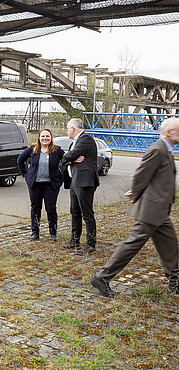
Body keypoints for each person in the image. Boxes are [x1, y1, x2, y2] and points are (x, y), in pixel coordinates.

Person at [91, 117, 179, 297]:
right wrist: (135, 194)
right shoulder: (158, 149)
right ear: (169, 132)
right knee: (131, 245)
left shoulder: (166, 150)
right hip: (151, 211)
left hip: (159, 211)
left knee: (170, 247)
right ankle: (102, 277)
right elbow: (141, 174)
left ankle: (175, 282)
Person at [17, 129, 65, 241]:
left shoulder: (57, 150)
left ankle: (53, 233)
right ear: (39, 137)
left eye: (47, 136)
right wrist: (25, 175)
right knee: (35, 208)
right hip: (35, 185)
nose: (45, 138)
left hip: (51, 185)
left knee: (51, 209)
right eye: (43, 136)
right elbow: (20, 160)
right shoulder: (33, 149)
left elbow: (66, 161)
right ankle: (35, 232)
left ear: (51, 138)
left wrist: (61, 177)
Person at [61, 118, 99, 255]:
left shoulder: (86, 139)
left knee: (86, 214)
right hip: (74, 181)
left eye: (67, 128)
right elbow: (68, 157)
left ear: (72, 128)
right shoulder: (75, 143)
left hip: (85, 182)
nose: (66, 131)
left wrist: (70, 157)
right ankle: (74, 240)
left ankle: (90, 244)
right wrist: (70, 158)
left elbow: (69, 156)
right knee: (75, 212)